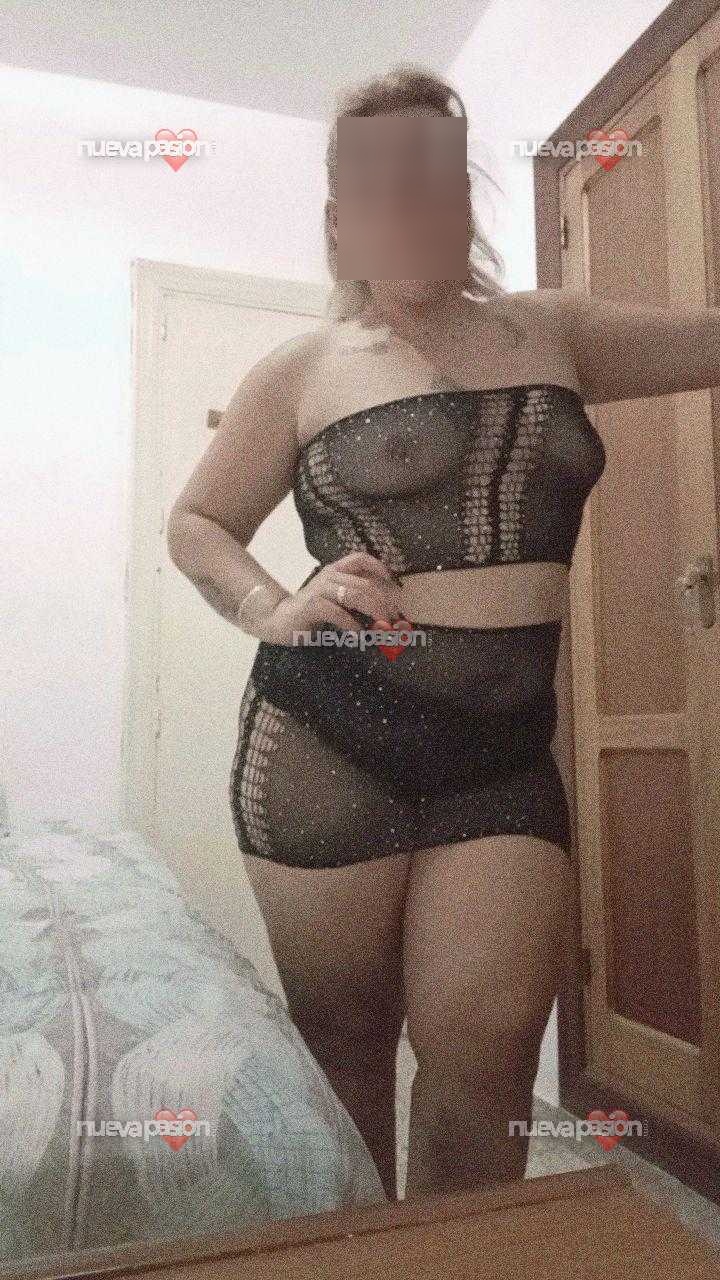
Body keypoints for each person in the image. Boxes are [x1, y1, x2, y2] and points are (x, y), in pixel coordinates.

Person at [167, 65, 607, 1202]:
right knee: (346, 1054)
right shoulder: (303, 369)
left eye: (431, 178)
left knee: (487, 1063)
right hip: (326, 742)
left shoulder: (557, 332)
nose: (406, 203)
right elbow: (197, 523)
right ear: (338, 222)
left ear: (465, 199)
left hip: (503, 760)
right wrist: (270, 606)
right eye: (376, 186)